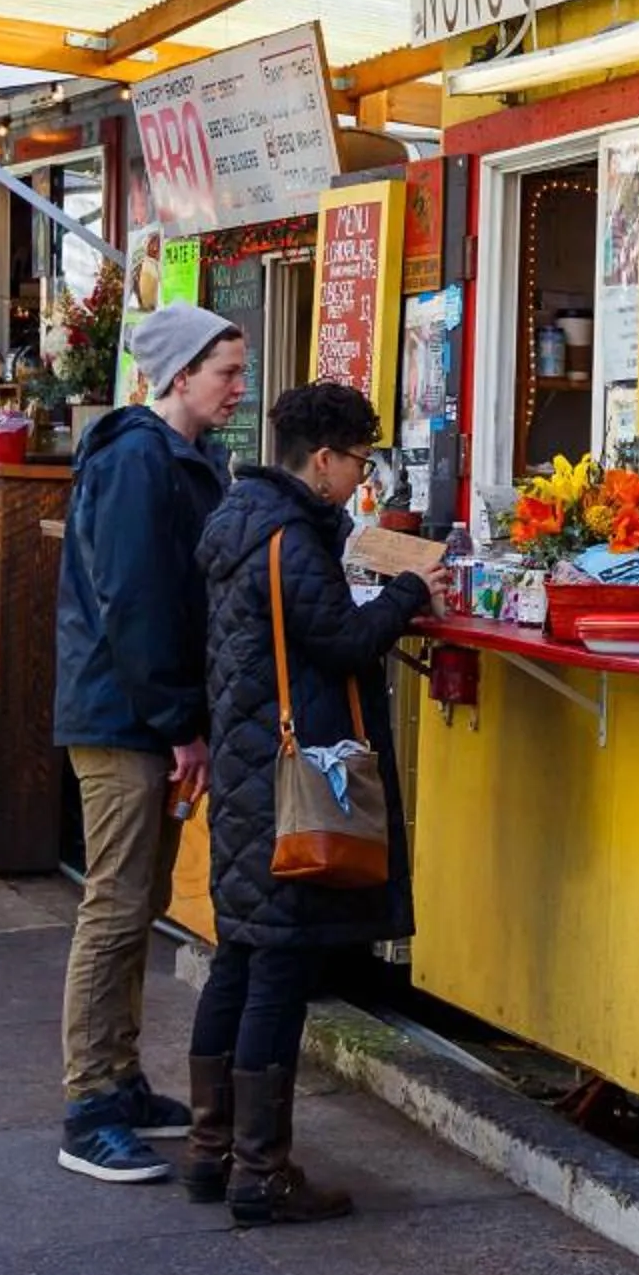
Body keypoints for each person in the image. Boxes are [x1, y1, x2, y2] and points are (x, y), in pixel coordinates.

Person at [187, 381, 437, 1222]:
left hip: (247, 767)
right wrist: (412, 589)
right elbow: (341, 638)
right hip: (292, 783)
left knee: (240, 956)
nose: (360, 478)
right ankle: (260, 1174)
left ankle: (208, 1149)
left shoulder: (236, 517)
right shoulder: (290, 535)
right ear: (322, 458)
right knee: (278, 966)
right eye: (359, 460)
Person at [51, 304, 246, 1184]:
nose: (238, 389)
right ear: (178, 376)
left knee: (135, 901)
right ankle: (90, 1103)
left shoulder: (188, 457)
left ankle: (121, 1081)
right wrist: (179, 723)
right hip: (123, 716)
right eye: (226, 374)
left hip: (146, 713)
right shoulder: (138, 459)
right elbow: (135, 601)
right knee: (117, 905)